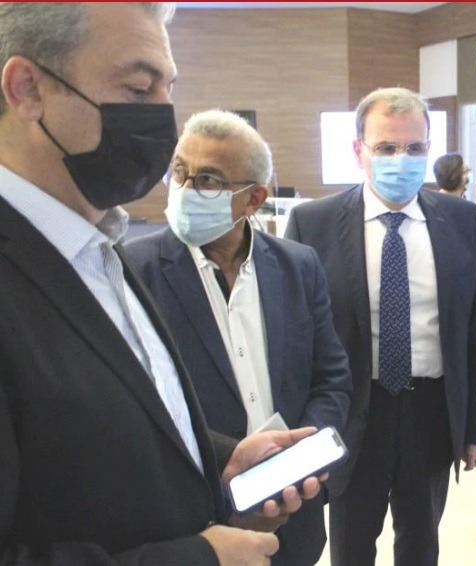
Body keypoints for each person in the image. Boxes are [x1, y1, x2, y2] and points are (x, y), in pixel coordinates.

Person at [0, 3, 321, 564]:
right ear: (27, 88)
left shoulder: (98, 245)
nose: (164, 123)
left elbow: (99, 430)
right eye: (138, 89)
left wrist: (216, 459)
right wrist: (197, 559)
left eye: (169, 90)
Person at [124, 109, 353, 566]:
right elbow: (138, 406)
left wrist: (299, 459)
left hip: (295, 508)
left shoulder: (298, 265)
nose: (186, 189)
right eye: (180, 172)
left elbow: (331, 378)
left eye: (208, 180)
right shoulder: (133, 271)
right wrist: (227, 464)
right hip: (196, 519)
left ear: (254, 198)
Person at [284, 87, 476, 566]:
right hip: (352, 411)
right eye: (385, 147)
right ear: (358, 151)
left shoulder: (461, 220)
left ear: (429, 149)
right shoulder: (312, 224)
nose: (402, 159)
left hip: (432, 411)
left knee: (421, 543)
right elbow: (297, 340)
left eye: (414, 147)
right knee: (350, 545)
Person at [433, 152, 476, 225]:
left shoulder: (442, 201)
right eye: (466, 171)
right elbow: (465, 231)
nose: (469, 174)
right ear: (455, 176)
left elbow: (464, 216)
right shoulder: (443, 207)